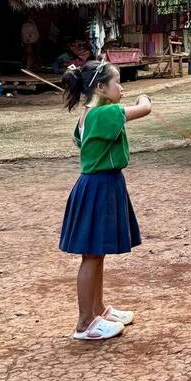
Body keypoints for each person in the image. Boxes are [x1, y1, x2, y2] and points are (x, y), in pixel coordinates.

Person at [59, 60, 152, 340]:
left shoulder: (88, 115)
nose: (121, 88)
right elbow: (144, 108)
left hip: (99, 185)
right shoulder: (106, 113)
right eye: (117, 82)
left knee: (96, 252)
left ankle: (97, 310)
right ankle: (85, 322)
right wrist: (144, 97)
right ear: (100, 87)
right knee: (91, 255)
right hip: (98, 186)